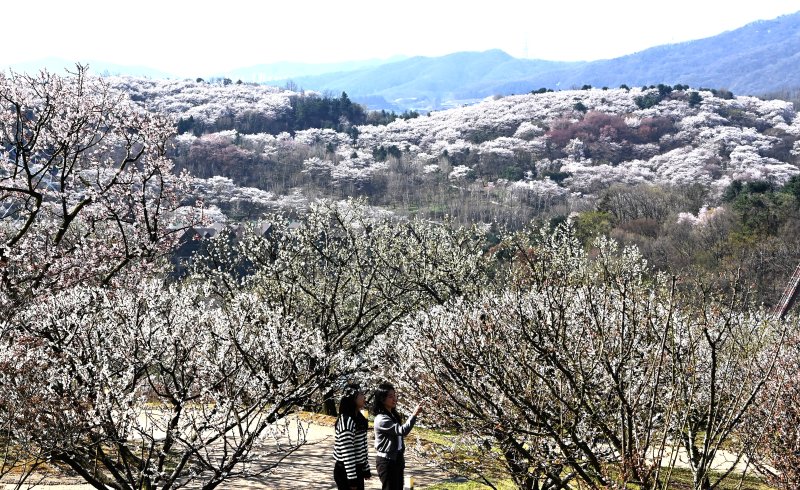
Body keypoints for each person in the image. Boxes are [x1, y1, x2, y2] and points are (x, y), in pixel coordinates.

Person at [372, 383, 422, 490]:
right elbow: (402, 431)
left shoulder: (393, 416)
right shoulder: (381, 419)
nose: (394, 399)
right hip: (386, 461)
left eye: (394, 395)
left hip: (397, 459)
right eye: (390, 396)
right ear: (382, 399)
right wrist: (414, 414)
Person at [333, 384, 371, 490]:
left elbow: (362, 445)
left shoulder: (358, 417)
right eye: (361, 394)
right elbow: (347, 452)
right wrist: (352, 479)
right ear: (353, 398)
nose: (364, 397)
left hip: (356, 469)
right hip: (346, 470)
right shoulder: (346, 421)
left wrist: (365, 468)